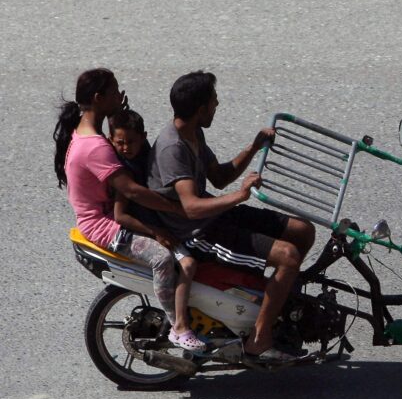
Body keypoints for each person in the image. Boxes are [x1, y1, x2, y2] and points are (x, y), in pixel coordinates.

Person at [148, 71, 316, 363]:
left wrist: (253, 146)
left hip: (217, 215)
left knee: (303, 230)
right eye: (213, 101)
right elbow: (190, 207)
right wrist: (241, 195)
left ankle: (272, 302)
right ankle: (259, 340)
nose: (218, 104)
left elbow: (220, 177)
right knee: (288, 257)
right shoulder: (173, 147)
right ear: (200, 109)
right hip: (198, 233)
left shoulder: (193, 133)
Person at [54, 68, 187, 326]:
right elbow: (132, 190)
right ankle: (178, 327)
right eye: (114, 90)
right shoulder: (95, 146)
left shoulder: (89, 132)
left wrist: (117, 116)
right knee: (162, 257)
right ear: (98, 98)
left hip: (110, 214)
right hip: (104, 226)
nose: (119, 93)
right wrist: (179, 209)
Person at [108, 109, 205, 352]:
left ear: (144, 138)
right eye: (120, 142)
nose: (126, 147)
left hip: (162, 225)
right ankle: (179, 325)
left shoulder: (146, 154)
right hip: (145, 230)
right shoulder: (126, 171)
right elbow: (121, 215)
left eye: (131, 141)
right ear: (111, 141)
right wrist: (155, 233)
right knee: (186, 264)